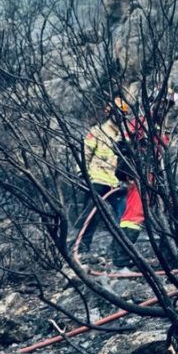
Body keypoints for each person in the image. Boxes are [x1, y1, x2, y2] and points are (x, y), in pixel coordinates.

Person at [111, 87, 178, 268]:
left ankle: (170, 258)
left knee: (177, 211)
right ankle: (120, 261)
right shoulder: (139, 123)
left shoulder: (162, 131)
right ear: (152, 103)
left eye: (167, 105)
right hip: (141, 176)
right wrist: (134, 148)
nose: (163, 108)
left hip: (159, 178)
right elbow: (121, 144)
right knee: (134, 215)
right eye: (161, 103)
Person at [72, 98, 128, 263]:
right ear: (109, 112)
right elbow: (85, 153)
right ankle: (82, 246)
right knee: (91, 215)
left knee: (122, 216)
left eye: (123, 114)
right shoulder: (97, 132)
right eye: (117, 113)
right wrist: (82, 174)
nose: (120, 117)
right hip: (97, 180)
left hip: (117, 184)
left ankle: (119, 250)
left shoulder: (125, 136)